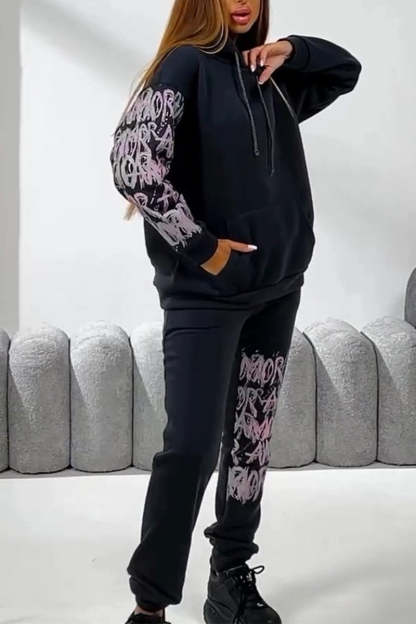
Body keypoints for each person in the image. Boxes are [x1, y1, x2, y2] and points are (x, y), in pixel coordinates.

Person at [109, 0, 362, 622]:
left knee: (251, 440)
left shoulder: (267, 72)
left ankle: (229, 577)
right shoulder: (184, 66)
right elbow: (133, 167)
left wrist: (291, 50)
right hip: (205, 297)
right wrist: (205, 250)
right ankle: (150, 605)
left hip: (277, 291)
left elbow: (345, 70)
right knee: (191, 447)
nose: (243, 0)